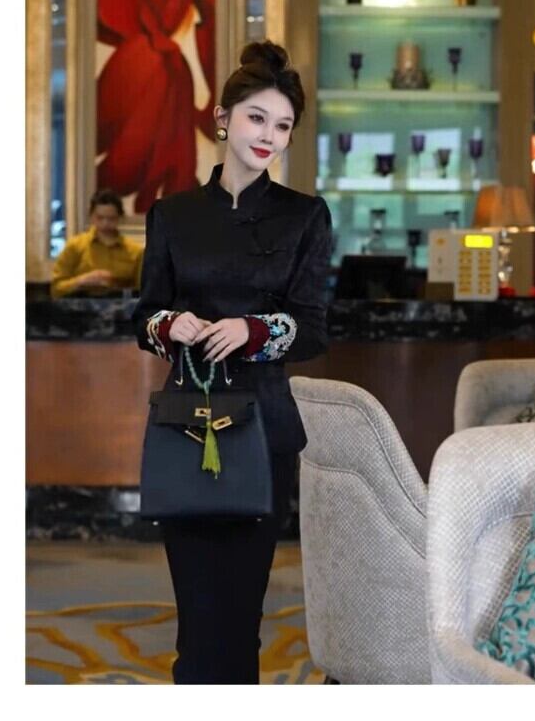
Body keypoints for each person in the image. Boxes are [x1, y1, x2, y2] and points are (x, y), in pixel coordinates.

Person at [132, 39, 332, 684]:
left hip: (264, 433)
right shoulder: (173, 215)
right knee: (196, 615)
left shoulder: (305, 216)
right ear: (223, 118)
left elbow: (313, 329)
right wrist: (171, 325)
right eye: (257, 118)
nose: (269, 136)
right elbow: (144, 317)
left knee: (241, 614)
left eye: (283, 126)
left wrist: (253, 330)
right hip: (185, 428)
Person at [50, 189, 144, 298]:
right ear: (91, 216)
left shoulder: (135, 251)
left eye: (111, 218)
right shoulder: (75, 246)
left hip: (121, 306)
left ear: (120, 217)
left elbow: (142, 292)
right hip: (80, 306)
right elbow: (56, 289)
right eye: (100, 218)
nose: (105, 223)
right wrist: (82, 281)